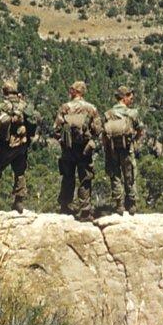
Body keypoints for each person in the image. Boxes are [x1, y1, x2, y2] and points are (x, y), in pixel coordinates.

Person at [0, 79, 38, 212]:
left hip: (5, 144)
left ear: (4, 91)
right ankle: (19, 202)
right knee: (20, 172)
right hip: (22, 145)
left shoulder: (1, 105)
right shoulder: (24, 105)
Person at [54, 80, 102, 221]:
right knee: (85, 178)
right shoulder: (91, 108)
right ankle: (85, 211)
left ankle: (65, 207)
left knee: (68, 176)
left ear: (74, 91)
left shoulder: (65, 107)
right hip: (84, 149)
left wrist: (64, 141)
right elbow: (98, 129)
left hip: (68, 148)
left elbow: (56, 129)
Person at [103, 85, 145, 214]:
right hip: (127, 148)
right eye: (130, 97)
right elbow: (140, 130)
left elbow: (104, 134)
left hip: (112, 149)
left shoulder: (108, 114)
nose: (131, 100)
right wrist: (135, 141)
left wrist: (107, 150)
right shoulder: (132, 113)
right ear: (124, 98)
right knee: (130, 174)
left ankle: (118, 205)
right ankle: (131, 204)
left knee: (115, 175)